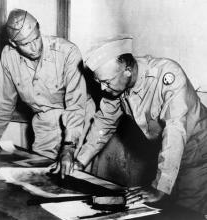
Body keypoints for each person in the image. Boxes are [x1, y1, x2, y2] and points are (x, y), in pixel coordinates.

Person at [58, 35, 207, 214]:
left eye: (106, 82)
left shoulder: (167, 75)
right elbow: (104, 123)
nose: (103, 89)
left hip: (196, 154)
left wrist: (160, 186)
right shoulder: (118, 86)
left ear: (127, 70)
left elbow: (175, 131)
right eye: (99, 82)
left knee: (187, 212)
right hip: (166, 155)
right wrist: (80, 162)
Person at [0, 9, 95, 160]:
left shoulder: (68, 52)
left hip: (79, 117)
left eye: (36, 39)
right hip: (44, 119)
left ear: (39, 29)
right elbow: (4, 105)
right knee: (41, 169)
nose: (34, 48)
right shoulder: (8, 56)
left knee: (73, 171)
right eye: (25, 44)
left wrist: (69, 147)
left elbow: (76, 105)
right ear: (13, 43)